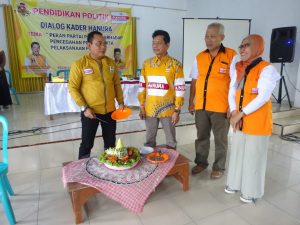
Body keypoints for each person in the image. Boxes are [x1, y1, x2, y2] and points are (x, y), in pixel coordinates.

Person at [224, 34, 280, 203]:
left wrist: (241, 113)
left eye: (246, 45)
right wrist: (234, 111)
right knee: (238, 152)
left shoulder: (266, 69)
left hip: (257, 121)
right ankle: (234, 183)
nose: (242, 49)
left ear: (257, 47)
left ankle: (251, 191)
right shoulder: (239, 67)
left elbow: (262, 96)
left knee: (254, 156)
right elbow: (232, 91)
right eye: (240, 46)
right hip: (239, 120)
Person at [189, 23, 236, 179]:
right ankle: (201, 162)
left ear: (221, 37)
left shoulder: (231, 55)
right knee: (201, 136)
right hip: (201, 105)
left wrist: (232, 106)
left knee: (220, 139)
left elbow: (235, 83)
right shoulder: (200, 57)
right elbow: (194, 81)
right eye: (207, 36)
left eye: (213, 36)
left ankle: (219, 167)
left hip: (221, 107)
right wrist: (191, 101)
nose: (209, 39)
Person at [69, 31, 124, 159]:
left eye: (104, 44)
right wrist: (84, 107)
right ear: (89, 45)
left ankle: (110, 167)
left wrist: (120, 102)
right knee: (87, 143)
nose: (103, 47)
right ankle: (81, 170)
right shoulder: (79, 64)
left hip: (110, 111)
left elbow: (116, 84)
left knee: (110, 143)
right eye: (99, 44)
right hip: (90, 112)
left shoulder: (111, 63)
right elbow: (72, 87)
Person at [138, 30, 185, 149]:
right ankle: (150, 166)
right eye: (153, 43)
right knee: (149, 141)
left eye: (159, 43)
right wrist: (142, 106)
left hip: (169, 110)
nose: (155, 46)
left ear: (167, 45)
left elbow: (180, 89)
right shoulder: (146, 64)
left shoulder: (176, 65)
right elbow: (142, 86)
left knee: (171, 141)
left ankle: (172, 166)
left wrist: (177, 110)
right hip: (150, 110)